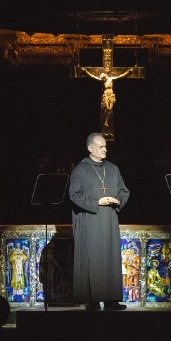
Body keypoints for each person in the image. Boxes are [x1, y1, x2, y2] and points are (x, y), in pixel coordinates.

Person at [69, 132, 130, 310]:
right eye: (101, 146)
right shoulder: (80, 170)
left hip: (110, 220)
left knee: (110, 258)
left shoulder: (113, 169)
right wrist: (97, 202)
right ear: (90, 148)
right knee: (92, 259)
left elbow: (124, 190)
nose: (105, 149)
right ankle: (92, 300)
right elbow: (75, 195)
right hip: (90, 220)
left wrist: (118, 199)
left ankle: (111, 300)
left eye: (105, 146)